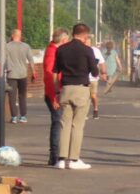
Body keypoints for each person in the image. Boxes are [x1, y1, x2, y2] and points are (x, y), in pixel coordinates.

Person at [53, 24, 102, 169]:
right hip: (81, 89)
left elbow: (55, 72)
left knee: (64, 124)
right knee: (78, 125)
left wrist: (57, 92)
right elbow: (94, 73)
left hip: (65, 89)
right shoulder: (87, 50)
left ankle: (61, 159)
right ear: (84, 35)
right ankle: (74, 160)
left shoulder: (61, 49)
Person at [43, 28, 69, 165]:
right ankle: (55, 156)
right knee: (57, 123)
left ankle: (55, 155)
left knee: (58, 123)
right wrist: (54, 96)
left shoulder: (53, 51)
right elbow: (49, 75)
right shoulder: (52, 53)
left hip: (55, 92)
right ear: (64, 40)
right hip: (54, 94)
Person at [4, 29, 35, 124]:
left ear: (13, 35)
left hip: (11, 74)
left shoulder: (7, 46)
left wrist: (3, 71)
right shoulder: (26, 46)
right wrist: (33, 72)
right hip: (23, 74)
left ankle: (13, 117)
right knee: (22, 96)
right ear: (20, 36)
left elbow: (3, 60)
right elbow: (31, 60)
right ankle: (23, 116)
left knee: (12, 96)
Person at [84, 35, 107, 119]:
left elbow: (101, 63)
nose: (86, 43)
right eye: (85, 41)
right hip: (83, 78)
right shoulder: (81, 50)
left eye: (88, 42)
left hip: (93, 78)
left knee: (93, 95)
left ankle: (95, 109)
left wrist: (103, 73)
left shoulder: (95, 51)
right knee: (85, 96)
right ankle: (84, 113)